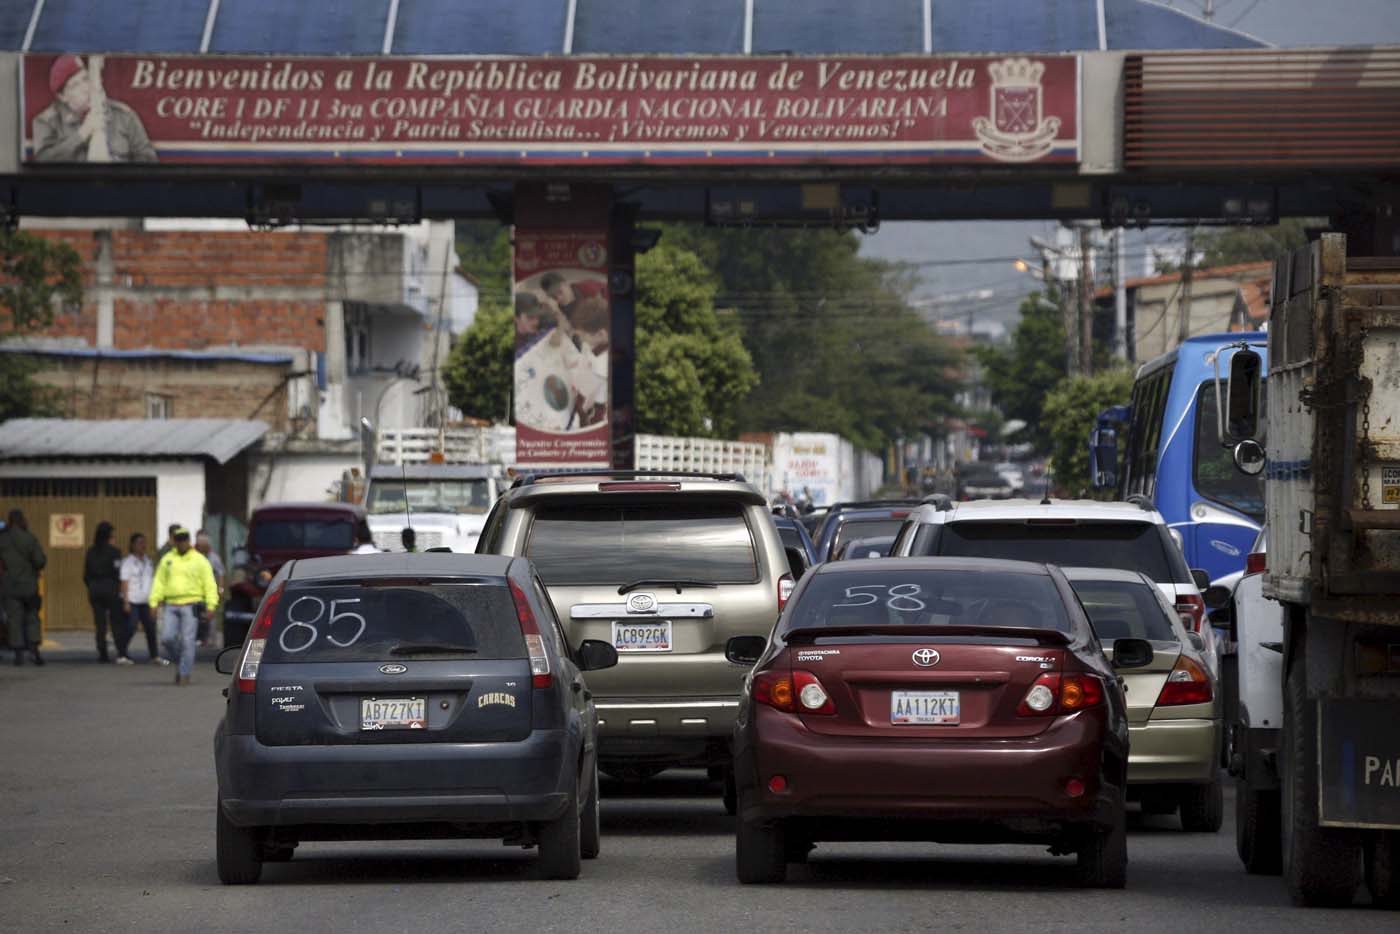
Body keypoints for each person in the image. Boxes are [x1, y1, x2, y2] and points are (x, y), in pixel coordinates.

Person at [31, 54, 157, 163]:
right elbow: (42, 161)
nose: (85, 88)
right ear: (63, 97)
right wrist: (82, 133)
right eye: (75, 85)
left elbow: (149, 159)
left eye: (85, 79)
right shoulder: (47, 121)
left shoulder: (124, 116)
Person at [150, 527, 218, 686]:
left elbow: (209, 584)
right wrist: (154, 602)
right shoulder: (168, 559)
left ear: (189, 541)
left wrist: (211, 605)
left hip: (191, 605)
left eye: (184, 540)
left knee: (188, 641)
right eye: (178, 540)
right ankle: (183, 662)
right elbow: (159, 582)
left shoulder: (199, 560)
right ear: (175, 541)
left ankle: (184, 674)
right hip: (171, 605)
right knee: (167, 638)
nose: (181, 544)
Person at [0, 509, 48, 666]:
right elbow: (40, 560)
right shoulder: (29, 538)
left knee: (14, 619)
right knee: (32, 617)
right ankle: (34, 651)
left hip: (9, 586)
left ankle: (18, 654)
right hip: (29, 585)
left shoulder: (3, 539)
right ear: (22, 520)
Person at [83, 520, 127, 664]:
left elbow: (86, 574)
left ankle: (102, 654)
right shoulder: (114, 552)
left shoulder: (90, 551)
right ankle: (121, 652)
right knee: (116, 623)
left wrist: (91, 586)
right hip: (111, 589)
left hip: (95, 589)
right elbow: (118, 572)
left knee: (100, 624)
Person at [120, 532, 164, 665]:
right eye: (139, 543)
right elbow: (124, 582)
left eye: (144, 542)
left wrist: (155, 601)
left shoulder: (148, 561)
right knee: (131, 626)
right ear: (132, 545)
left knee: (150, 627)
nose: (142, 545)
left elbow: (153, 581)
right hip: (133, 600)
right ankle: (122, 654)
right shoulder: (128, 562)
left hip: (146, 600)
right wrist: (126, 601)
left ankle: (154, 655)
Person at [194, 529, 226, 647]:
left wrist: (221, 589)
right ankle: (198, 638)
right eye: (200, 543)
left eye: (204, 543)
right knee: (197, 616)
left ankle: (210, 639)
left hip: (210, 591)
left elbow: (221, 573)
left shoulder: (214, 557)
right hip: (196, 591)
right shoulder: (193, 555)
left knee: (210, 615)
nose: (202, 545)